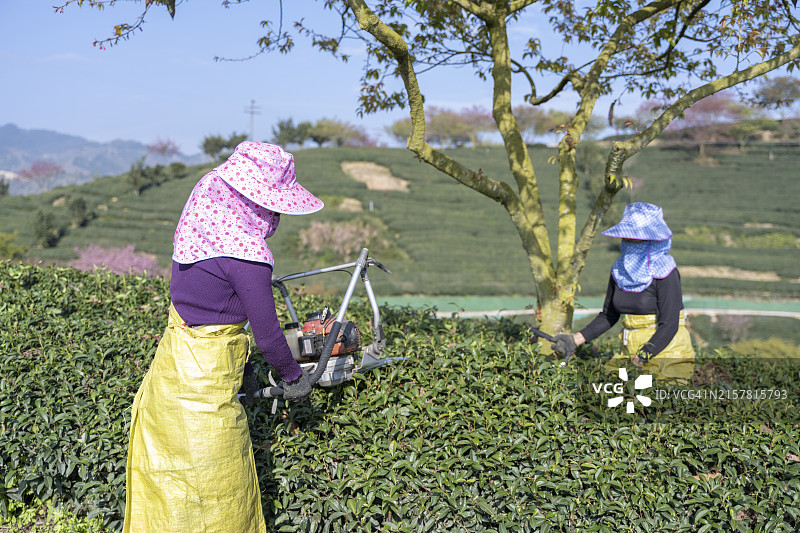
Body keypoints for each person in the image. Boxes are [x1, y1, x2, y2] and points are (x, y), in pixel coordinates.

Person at [123, 141, 324, 533]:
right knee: (217, 486)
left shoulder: (198, 233)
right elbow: (267, 336)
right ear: (259, 203)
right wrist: (294, 379)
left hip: (169, 374)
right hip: (202, 390)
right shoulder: (246, 257)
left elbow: (206, 306)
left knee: (167, 482)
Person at [551, 202, 695, 384]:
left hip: (667, 353)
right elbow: (608, 315)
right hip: (630, 351)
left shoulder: (665, 272)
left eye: (638, 238)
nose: (631, 242)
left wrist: (641, 357)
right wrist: (575, 340)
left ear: (652, 240)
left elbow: (670, 325)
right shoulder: (619, 271)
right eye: (628, 238)